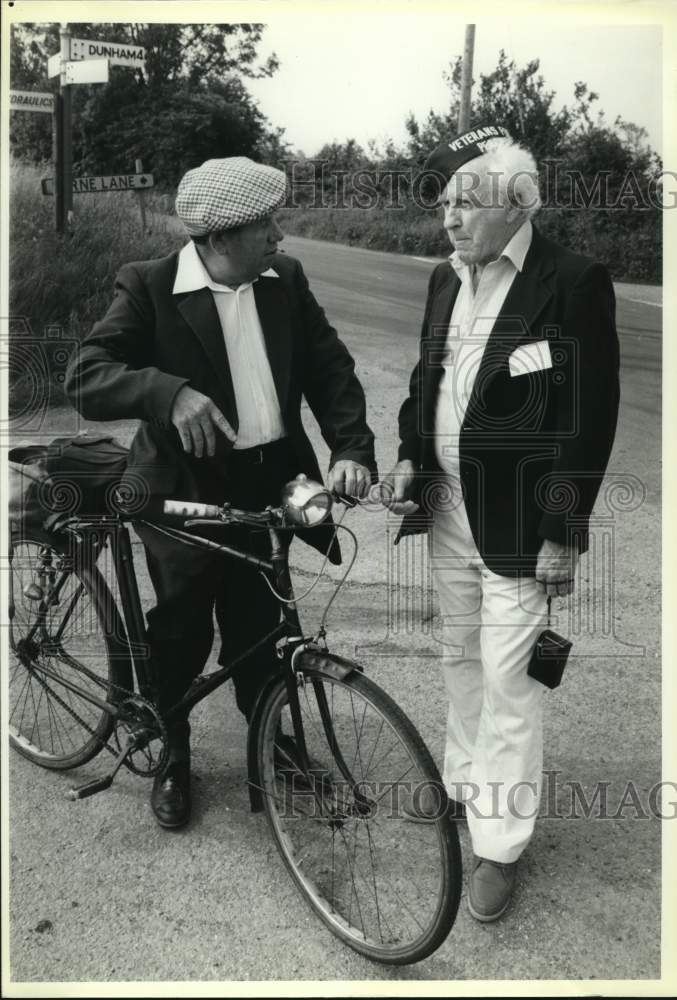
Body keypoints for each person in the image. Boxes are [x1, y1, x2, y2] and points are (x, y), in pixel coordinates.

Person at [65, 156, 376, 830]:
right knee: (181, 626)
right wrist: (166, 392)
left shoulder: (283, 279)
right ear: (220, 237)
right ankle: (170, 749)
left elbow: (329, 368)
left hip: (276, 479)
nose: (279, 235)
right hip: (184, 491)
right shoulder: (150, 287)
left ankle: (272, 739)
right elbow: (86, 374)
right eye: (265, 223)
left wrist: (351, 447)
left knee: (267, 620)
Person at [383, 125, 620, 921]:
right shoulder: (443, 280)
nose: (448, 218)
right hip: (448, 506)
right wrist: (410, 455)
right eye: (444, 204)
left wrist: (564, 528)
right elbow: (427, 378)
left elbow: (587, 418)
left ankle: (499, 844)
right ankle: (461, 785)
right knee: (458, 655)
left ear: (516, 205)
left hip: (522, 519)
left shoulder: (573, 281)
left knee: (509, 680)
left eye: (465, 203)